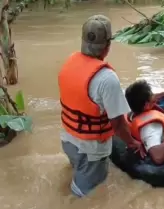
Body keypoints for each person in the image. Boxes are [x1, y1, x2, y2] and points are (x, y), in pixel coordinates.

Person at [58, 15, 145, 198]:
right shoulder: (107, 79)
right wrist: (132, 142)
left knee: (77, 174)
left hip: (68, 140)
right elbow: (119, 125)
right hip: (91, 150)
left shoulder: (70, 61)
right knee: (84, 197)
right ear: (107, 46)